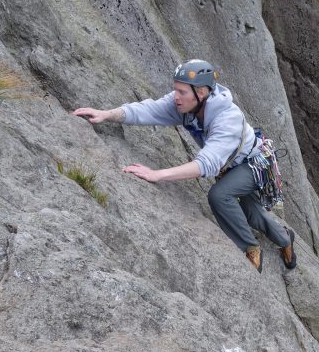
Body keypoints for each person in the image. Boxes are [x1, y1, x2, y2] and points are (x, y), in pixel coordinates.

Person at [73, 59, 296, 273]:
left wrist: (158, 175)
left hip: (254, 163)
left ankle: (250, 247)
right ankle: (285, 238)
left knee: (220, 196)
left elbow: (207, 163)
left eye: (182, 92)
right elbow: (148, 111)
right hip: (232, 166)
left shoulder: (228, 118)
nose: (176, 97)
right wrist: (106, 115)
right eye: (176, 90)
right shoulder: (187, 105)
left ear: (201, 93)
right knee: (251, 212)